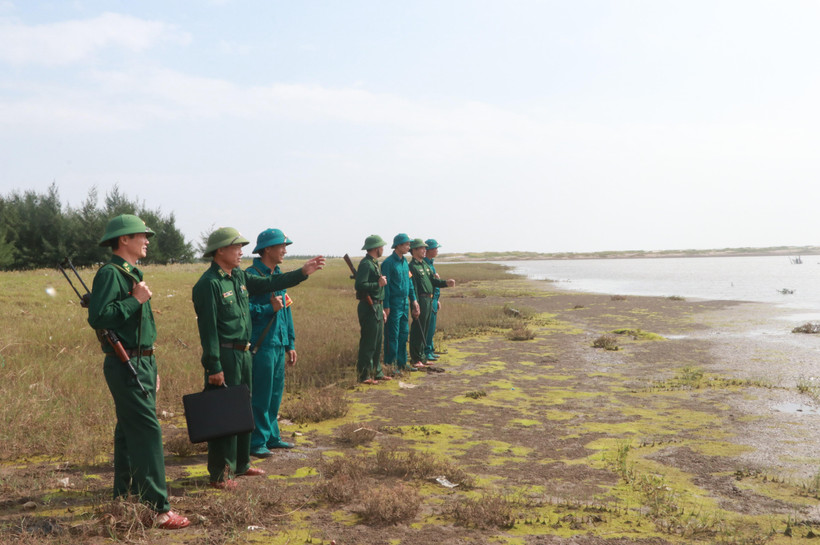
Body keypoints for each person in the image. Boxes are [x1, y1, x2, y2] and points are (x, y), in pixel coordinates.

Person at [192, 227, 324, 489]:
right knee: (225, 414)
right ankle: (220, 473)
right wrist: (213, 366)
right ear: (220, 251)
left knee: (242, 411)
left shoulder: (239, 276)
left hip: (244, 353)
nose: (241, 252)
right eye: (236, 247)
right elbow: (208, 332)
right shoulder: (209, 284)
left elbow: (269, 284)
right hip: (226, 354)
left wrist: (302, 273)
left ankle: (242, 464)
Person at [87, 214, 189, 529]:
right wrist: (135, 300)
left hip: (140, 361)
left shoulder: (130, 272)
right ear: (124, 240)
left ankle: (125, 496)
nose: (147, 240)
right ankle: (158, 508)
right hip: (124, 362)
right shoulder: (110, 274)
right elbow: (99, 317)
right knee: (147, 432)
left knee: (129, 430)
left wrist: (149, 363)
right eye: (141, 235)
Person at [246, 229, 313, 457]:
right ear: (267, 249)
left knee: (275, 394)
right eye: (281, 246)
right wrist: (268, 308)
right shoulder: (251, 275)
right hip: (261, 344)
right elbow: (244, 311)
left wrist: (290, 343)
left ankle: (272, 436)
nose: (285, 250)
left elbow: (286, 311)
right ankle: (257, 441)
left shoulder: (279, 274)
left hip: (278, 342)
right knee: (261, 395)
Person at [407, 238, 455, 368]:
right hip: (420, 299)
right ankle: (416, 358)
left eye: (425, 248)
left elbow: (433, 282)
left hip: (429, 299)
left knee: (426, 328)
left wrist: (445, 283)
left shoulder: (425, 265)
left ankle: (423, 356)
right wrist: (414, 304)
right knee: (418, 329)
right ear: (414, 250)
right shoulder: (412, 267)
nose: (424, 250)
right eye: (422, 248)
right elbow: (413, 287)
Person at [354, 234, 392, 385]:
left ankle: (377, 372)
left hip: (376, 305)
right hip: (368, 306)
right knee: (368, 343)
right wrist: (378, 284)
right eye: (382, 247)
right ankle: (364, 375)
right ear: (377, 248)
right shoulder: (366, 264)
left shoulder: (374, 263)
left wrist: (381, 308)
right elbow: (359, 285)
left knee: (377, 342)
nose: (383, 249)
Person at [382, 233, 419, 374]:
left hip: (404, 303)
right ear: (398, 245)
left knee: (404, 334)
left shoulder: (404, 262)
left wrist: (414, 300)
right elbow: (385, 286)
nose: (409, 247)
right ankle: (390, 365)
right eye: (407, 244)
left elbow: (409, 282)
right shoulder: (388, 263)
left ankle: (402, 363)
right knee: (392, 335)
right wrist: (386, 306)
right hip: (393, 304)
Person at [423, 238, 443, 361]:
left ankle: (430, 349)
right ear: (428, 250)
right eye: (435, 248)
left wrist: (437, 299)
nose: (437, 251)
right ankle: (426, 351)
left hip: (434, 300)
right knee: (427, 327)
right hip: (427, 300)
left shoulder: (431, 264)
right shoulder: (424, 265)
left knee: (432, 327)